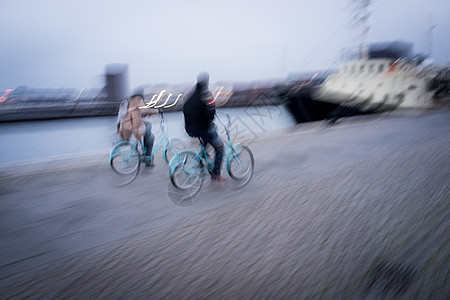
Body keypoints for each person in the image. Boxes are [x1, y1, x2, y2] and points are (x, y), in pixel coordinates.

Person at [183, 72, 224, 181]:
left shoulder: (190, 95)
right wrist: (211, 115)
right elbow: (210, 113)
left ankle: (202, 156)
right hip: (202, 129)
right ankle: (216, 174)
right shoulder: (206, 94)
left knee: (210, 133)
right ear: (207, 82)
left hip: (190, 129)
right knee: (220, 148)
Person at [117, 92, 159, 167]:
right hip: (133, 126)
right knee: (151, 136)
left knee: (146, 128)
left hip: (125, 125)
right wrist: (157, 111)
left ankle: (144, 155)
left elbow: (139, 112)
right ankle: (147, 157)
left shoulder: (129, 101)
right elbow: (144, 111)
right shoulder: (138, 100)